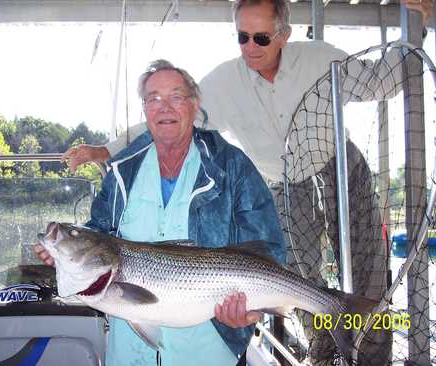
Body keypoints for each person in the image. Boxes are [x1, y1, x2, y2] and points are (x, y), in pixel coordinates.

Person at [61, 1, 432, 364]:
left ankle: (373, 356)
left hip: (339, 164)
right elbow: (166, 116)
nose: (250, 47)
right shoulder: (222, 82)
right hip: (284, 183)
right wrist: (105, 150)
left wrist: (419, 25)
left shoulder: (322, 58)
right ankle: (325, 350)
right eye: (242, 37)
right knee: (297, 273)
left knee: (369, 266)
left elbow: (380, 81)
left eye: (261, 37)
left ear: (284, 35)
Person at [36, 59, 285, 366]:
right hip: (129, 353)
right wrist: (62, 252)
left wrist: (250, 312)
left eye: (176, 97)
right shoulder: (122, 171)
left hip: (209, 350)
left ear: (195, 105)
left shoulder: (231, 166)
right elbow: (99, 231)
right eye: (153, 98)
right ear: (145, 110)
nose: (164, 107)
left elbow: (266, 250)